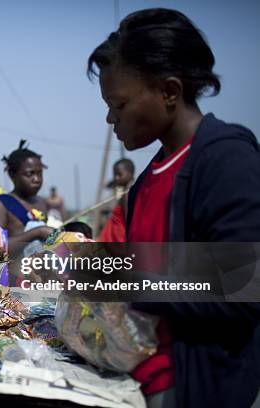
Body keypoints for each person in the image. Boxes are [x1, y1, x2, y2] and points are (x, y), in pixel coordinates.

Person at [88, 8, 260, 407]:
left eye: (120, 104)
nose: (111, 117)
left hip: (196, 386)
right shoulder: (150, 175)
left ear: (169, 91)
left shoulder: (226, 158)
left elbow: (243, 285)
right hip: (138, 375)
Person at [0, 140, 54, 285]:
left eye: (39, 173)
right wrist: (37, 232)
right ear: (12, 174)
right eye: (29, 174)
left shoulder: (42, 203)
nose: (36, 179)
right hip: (13, 282)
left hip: (40, 280)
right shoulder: (2, 204)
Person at [98, 158, 134, 242]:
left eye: (120, 174)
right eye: (115, 175)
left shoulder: (127, 196)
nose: (116, 178)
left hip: (120, 241)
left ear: (130, 173)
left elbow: (128, 222)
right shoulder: (123, 194)